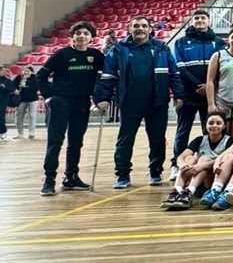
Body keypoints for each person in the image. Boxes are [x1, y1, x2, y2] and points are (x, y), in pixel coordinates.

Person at [95, 16, 185, 189]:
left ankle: (155, 172)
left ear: (150, 29)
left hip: (157, 102)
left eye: (144, 26)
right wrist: (103, 98)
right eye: (136, 25)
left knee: (157, 140)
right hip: (129, 102)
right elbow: (107, 76)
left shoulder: (161, 48)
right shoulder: (118, 49)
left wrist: (178, 95)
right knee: (125, 140)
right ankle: (122, 175)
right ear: (130, 29)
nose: (140, 28)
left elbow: (174, 74)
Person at [37, 21, 105, 196]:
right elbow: (41, 76)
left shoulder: (96, 55)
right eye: (78, 33)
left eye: (86, 33)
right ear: (73, 36)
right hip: (60, 101)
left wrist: (100, 99)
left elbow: (106, 75)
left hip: (82, 102)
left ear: (91, 37)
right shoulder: (62, 54)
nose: (82, 36)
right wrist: (48, 96)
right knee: (55, 141)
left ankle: (71, 177)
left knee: (76, 142)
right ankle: (49, 179)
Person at [171, 10, 220, 181]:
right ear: (192, 21)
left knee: (210, 130)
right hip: (187, 94)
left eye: (203, 18)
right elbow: (180, 67)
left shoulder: (219, 42)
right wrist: (198, 85)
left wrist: (208, 86)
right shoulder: (181, 42)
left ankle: (207, 162)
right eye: (196, 18)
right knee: (182, 130)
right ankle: (176, 165)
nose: (199, 20)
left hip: (210, 96)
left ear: (209, 21)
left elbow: (221, 67)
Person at [161, 113, 233, 210]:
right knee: (189, 159)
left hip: (215, 178)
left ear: (224, 126)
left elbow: (224, 160)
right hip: (199, 179)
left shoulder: (230, 141)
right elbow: (182, 156)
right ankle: (177, 190)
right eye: (211, 123)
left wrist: (202, 165)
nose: (214, 125)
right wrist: (182, 164)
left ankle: (189, 192)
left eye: (218, 123)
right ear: (205, 125)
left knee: (204, 159)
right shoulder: (199, 139)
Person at [205, 27, 233, 140]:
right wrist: (211, 104)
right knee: (220, 134)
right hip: (222, 100)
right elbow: (210, 81)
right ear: (228, 40)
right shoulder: (218, 55)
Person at [13, 66, 39, 139]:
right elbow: (13, 85)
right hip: (21, 99)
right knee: (19, 116)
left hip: (33, 99)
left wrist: (28, 81)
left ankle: (31, 132)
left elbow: (37, 87)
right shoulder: (19, 77)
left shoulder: (34, 77)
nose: (26, 72)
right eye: (24, 70)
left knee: (32, 116)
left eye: (28, 71)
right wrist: (16, 89)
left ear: (31, 72)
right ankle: (20, 133)